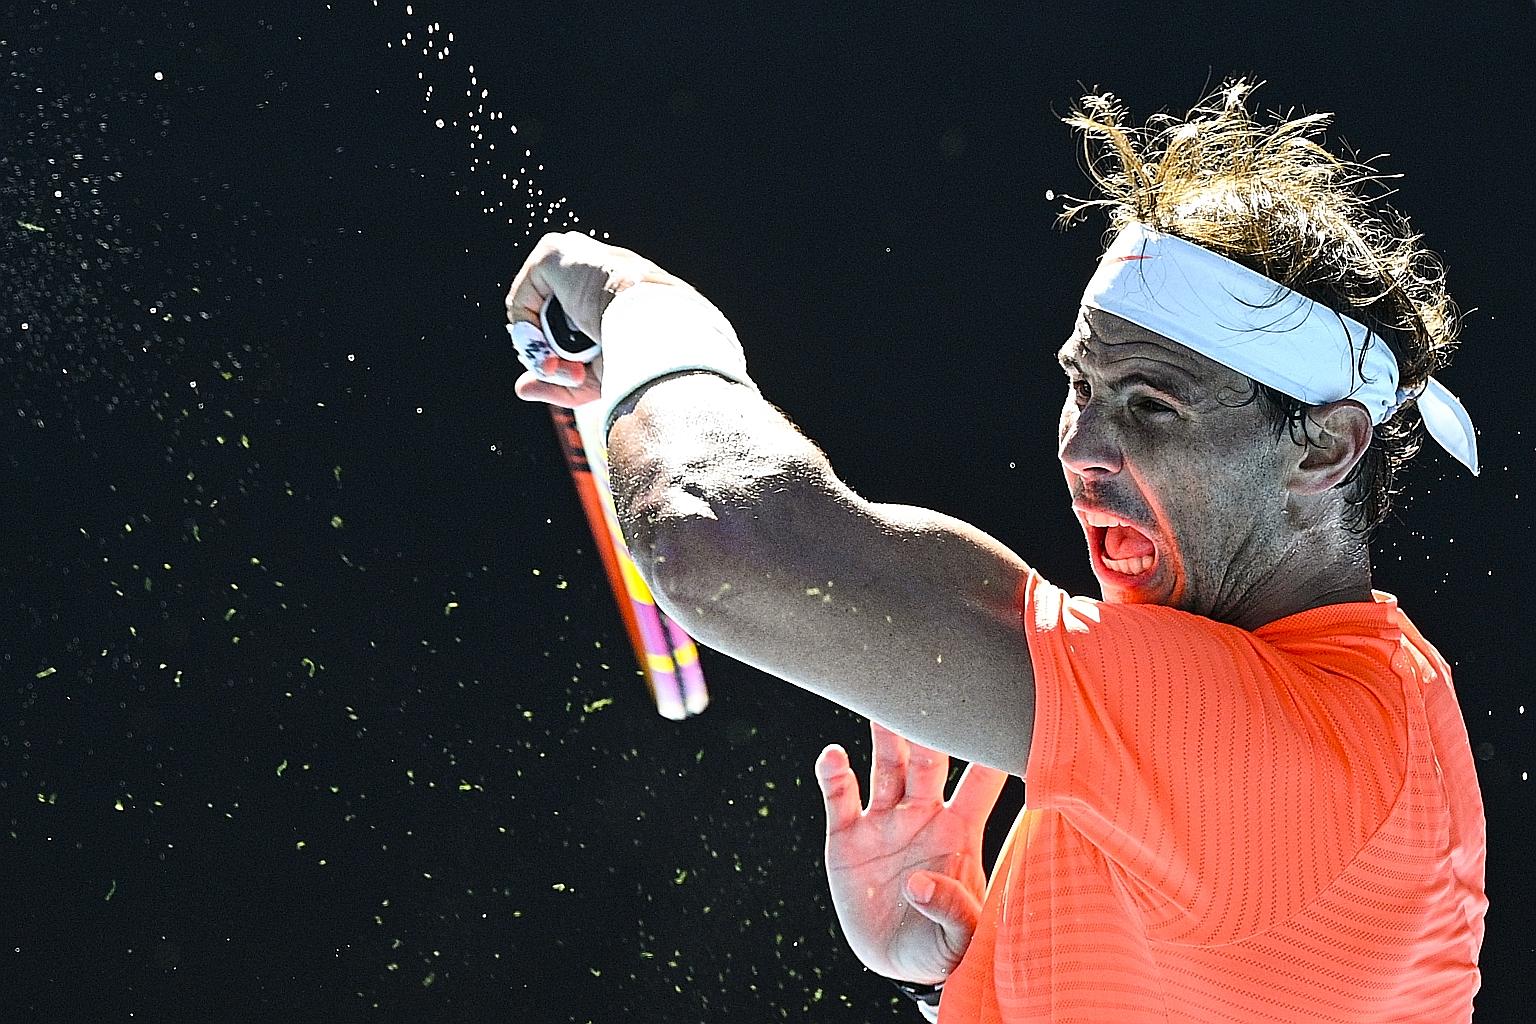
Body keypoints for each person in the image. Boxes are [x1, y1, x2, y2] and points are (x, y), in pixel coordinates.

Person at [507, 81, 1487, 1022]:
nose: (1081, 447)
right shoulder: (1374, 711)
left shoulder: (1270, 752)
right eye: (1081, 386)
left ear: (1323, 446)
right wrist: (967, 983)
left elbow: (712, 534)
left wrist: (647, 313)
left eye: (1152, 404)